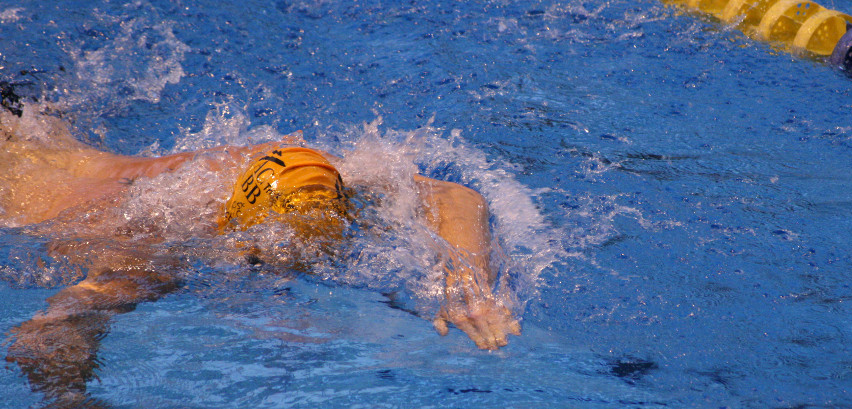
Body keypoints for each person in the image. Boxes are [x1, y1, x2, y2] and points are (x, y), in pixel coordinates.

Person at [1, 94, 520, 405]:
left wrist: (466, 282)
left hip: (41, 131)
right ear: (237, 233)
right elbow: (42, 330)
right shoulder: (150, 250)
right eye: (290, 252)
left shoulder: (295, 169)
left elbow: (454, 195)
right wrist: (69, 400)